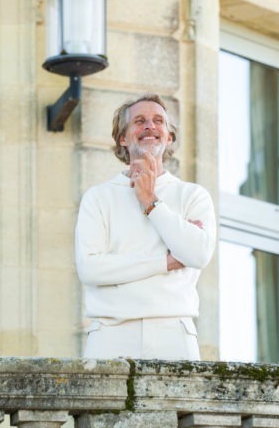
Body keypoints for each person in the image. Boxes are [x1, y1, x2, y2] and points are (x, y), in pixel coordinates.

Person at [74, 93, 216, 360]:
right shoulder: (98, 197)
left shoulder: (193, 196)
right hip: (109, 333)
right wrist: (166, 262)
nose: (150, 126)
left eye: (158, 121)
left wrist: (151, 202)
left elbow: (198, 255)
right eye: (140, 121)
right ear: (123, 138)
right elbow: (90, 269)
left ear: (169, 137)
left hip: (174, 331)